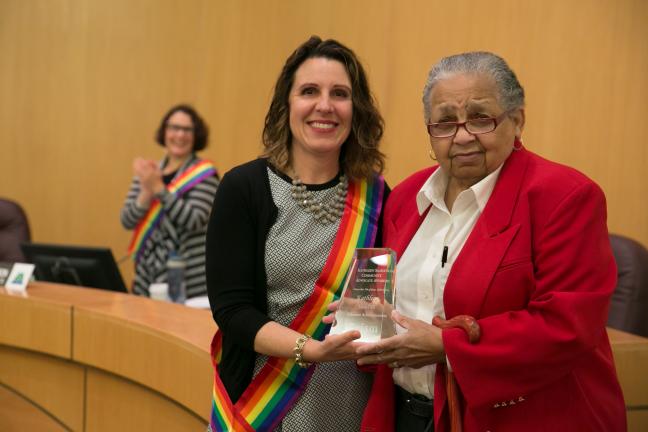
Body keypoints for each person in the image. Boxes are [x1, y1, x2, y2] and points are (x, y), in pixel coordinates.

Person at [356, 52, 626, 431]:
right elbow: (382, 295)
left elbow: (567, 325)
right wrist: (361, 323)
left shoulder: (566, 196)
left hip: (521, 417)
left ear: (516, 121)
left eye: (480, 118)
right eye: (445, 122)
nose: (463, 135)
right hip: (406, 412)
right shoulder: (405, 197)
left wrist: (447, 347)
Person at [205, 36, 388, 432]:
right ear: (286, 105)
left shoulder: (378, 197)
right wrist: (313, 349)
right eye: (309, 91)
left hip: (349, 405)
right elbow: (232, 311)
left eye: (339, 93)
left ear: (355, 111)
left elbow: (380, 298)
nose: (325, 105)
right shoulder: (244, 188)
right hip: (261, 406)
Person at [120, 104, 219, 299]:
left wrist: (159, 189)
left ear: (196, 135)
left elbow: (194, 220)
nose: (180, 135)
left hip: (188, 282)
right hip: (148, 278)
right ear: (164, 132)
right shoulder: (149, 172)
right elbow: (127, 220)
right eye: (174, 128)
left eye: (187, 129)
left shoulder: (205, 174)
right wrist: (146, 193)